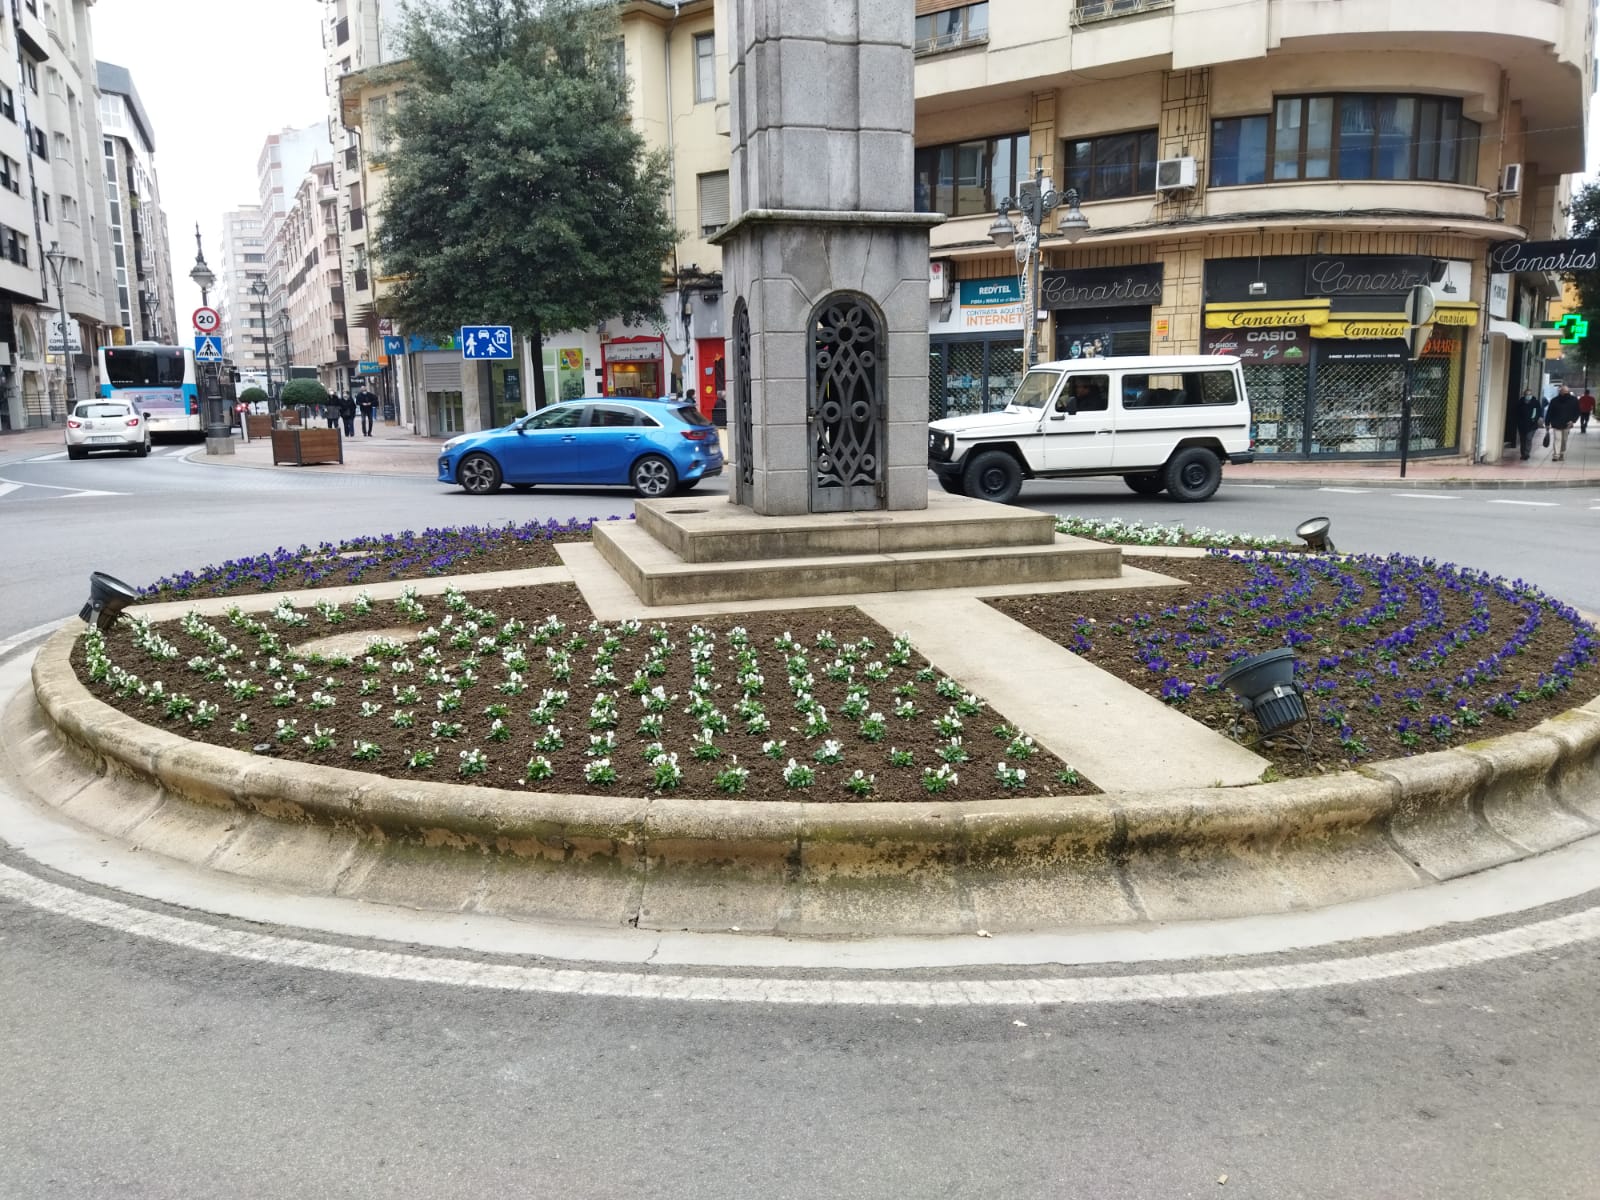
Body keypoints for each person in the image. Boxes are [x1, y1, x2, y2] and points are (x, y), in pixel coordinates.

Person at [1546, 384, 1580, 461]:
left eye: (1567, 391)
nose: (1566, 393)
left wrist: (1573, 420)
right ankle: (1556, 455)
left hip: (1567, 424)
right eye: (1564, 391)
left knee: (1564, 440)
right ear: (1560, 392)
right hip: (1556, 423)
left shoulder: (1574, 400)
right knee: (1557, 439)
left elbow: (1577, 411)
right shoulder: (1554, 401)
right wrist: (1547, 423)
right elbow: (1549, 412)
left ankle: (1561, 453)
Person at [1512, 389, 1541, 461]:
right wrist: (1518, 422)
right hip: (1522, 425)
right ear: (1524, 395)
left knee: (1528, 438)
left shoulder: (1535, 403)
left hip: (1532, 425)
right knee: (1523, 440)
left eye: (1530, 394)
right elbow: (1516, 413)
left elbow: (1538, 412)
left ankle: (1527, 453)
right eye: (1527, 394)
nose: (1528, 396)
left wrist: (1534, 419)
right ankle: (1523, 454)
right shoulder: (1520, 403)